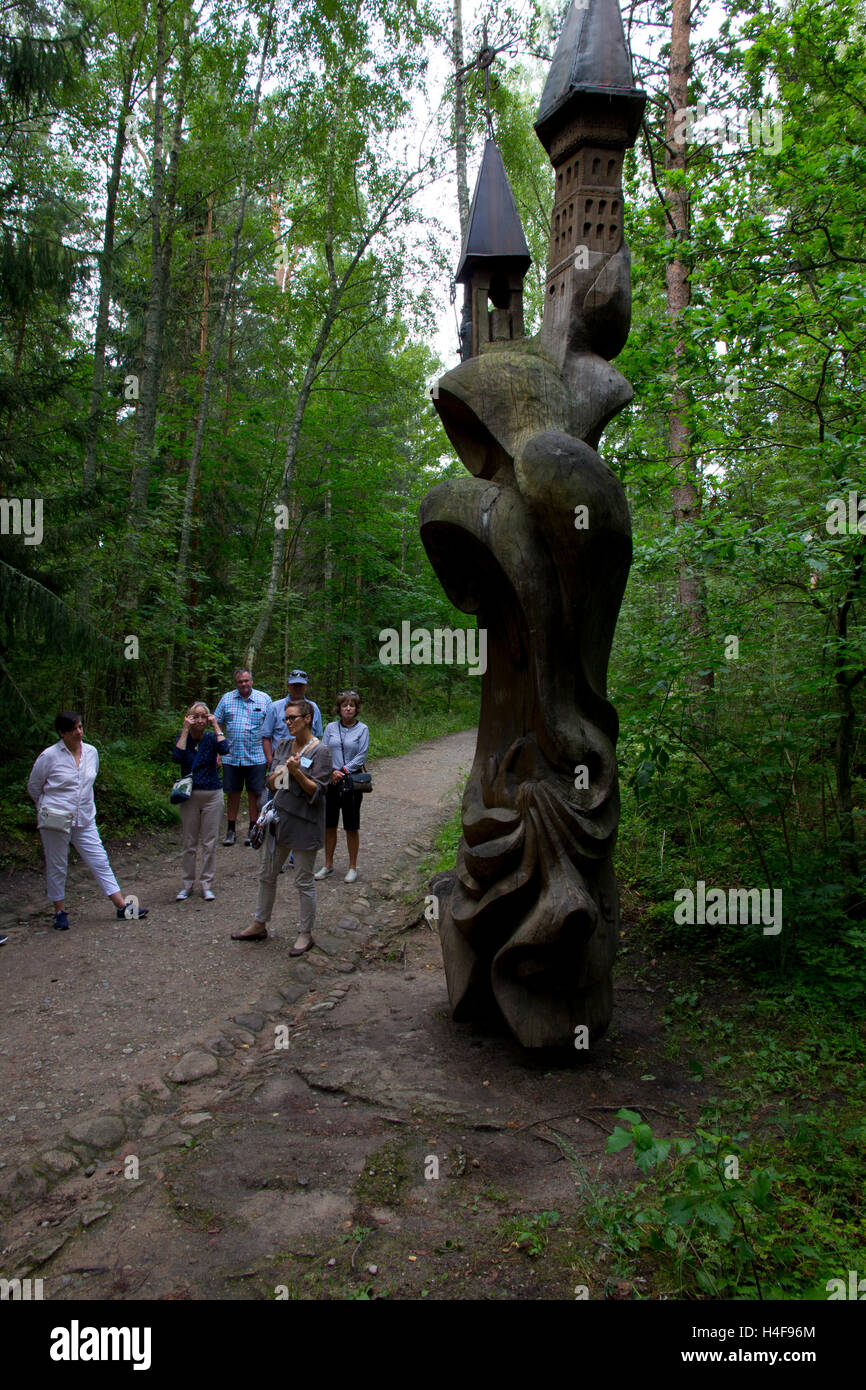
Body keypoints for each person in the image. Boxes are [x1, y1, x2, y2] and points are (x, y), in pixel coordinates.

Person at [27, 712, 149, 930]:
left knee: (99, 860)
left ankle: (122, 906)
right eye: (74, 729)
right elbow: (34, 787)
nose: (79, 732)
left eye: (81, 727)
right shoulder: (49, 756)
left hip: (84, 818)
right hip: (56, 820)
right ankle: (59, 911)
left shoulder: (91, 752)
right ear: (62, 733)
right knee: (58, 865)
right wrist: (46, 808)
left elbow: (89, 781)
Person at [231, 699, 332, 954]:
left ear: (307, 718)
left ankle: (306, 933)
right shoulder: (285, 745)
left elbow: (317, 792)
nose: (288, 723)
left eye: (293, 718)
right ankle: (259, 923)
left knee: (303, 880)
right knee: (267, 873)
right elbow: (274, 784)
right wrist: (283, 773)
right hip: (281, 820)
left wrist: (297, 772)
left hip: (306, 824)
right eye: (286, 719)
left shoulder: (322, 752)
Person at [172, 702, 230, 901]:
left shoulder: (212, 738)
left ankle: (206, 884)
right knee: (189, 842)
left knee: (209, 842)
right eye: (195, 716)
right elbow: (177, 757)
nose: (199, 720)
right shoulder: (184, 738)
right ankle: (187, 884)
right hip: (189, 796)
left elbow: (225, 748)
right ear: (189, 717)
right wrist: (185, 729)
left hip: (212, 794)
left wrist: (216, 725)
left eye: (203, 716)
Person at [316, 690, 369, 884]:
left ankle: (352, 867)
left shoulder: (362, 729)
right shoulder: (330, 727)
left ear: (356, 709)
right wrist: (331, 771)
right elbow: (323, 750)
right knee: (329, 825)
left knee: (351, 826)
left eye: (352, 705)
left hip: (351, 782)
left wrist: (343, 771)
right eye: (344, 705)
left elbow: (361, 755)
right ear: (339, 708)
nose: (348, 708)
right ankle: (328, 864)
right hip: (331, 781)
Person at [214, 667, 271, 846]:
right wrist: (217, 752)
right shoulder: (227, 699)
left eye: (246, 680)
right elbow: (217, 724)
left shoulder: (264, 699)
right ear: (236, 683)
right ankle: (231, 829)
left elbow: (271, 728)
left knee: (255, 793)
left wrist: (271, 755)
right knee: (233, 793)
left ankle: (253, 828)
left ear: (252, 681)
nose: (244, 684)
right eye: (240, 681)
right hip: (231, 756)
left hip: (257, 756)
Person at [261, 668, 323, 764]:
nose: (297, 688)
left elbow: (318, 736)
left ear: (306, 686)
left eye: (300, 685)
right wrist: (270, 761)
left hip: (306, 759)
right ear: (288, 686)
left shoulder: (313, 708)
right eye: (294, 685)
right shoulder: (275, 707)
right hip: (280, 758)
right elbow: (266, 737)